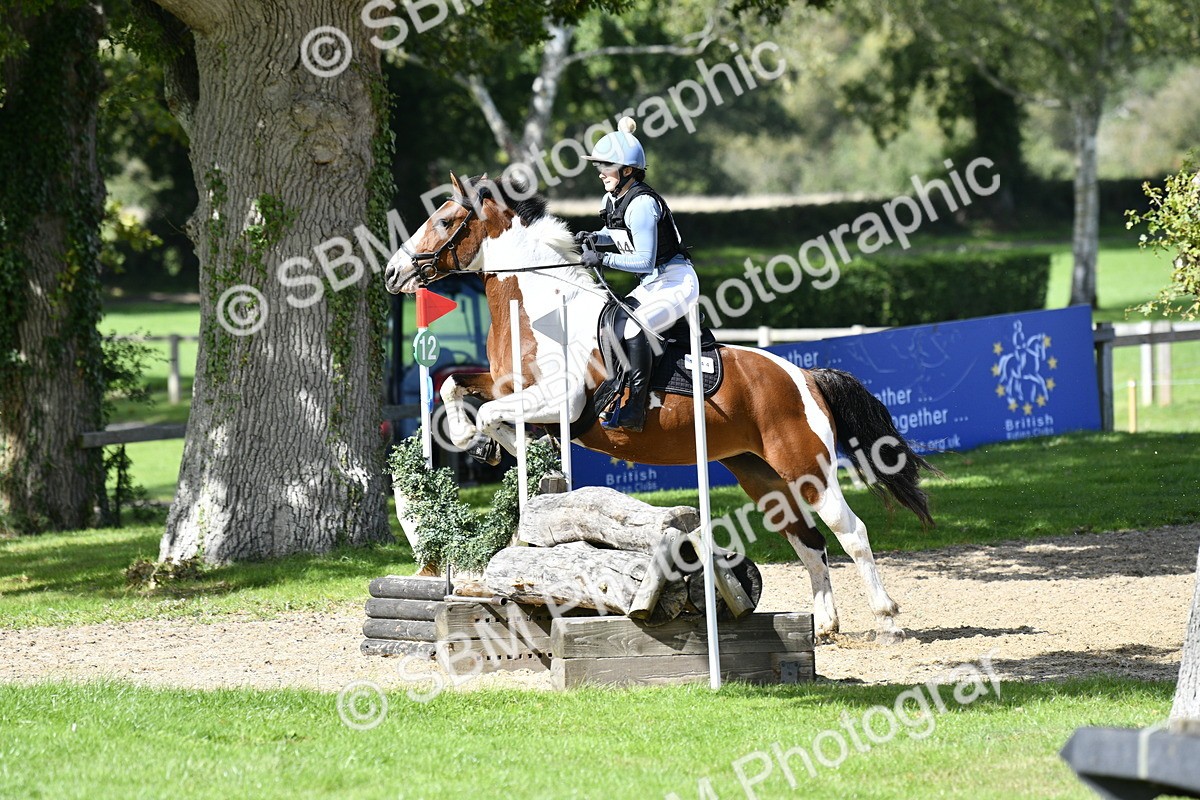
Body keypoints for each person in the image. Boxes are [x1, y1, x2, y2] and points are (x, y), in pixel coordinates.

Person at [576, 116, 700, 432]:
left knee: (633, 329)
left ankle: (636, 409)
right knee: (609, 322)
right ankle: (615, 390)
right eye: (599, 165)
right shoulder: (614, 198)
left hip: (676, 281)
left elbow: (644, 260)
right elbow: (616, 232)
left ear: (627, 170)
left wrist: (601, 257)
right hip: (654, 282)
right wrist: (592, 237)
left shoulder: (642, 203)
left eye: (607, 165)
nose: (600, 172)